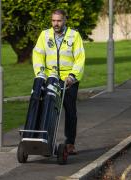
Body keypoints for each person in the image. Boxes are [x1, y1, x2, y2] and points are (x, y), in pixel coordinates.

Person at [32, 9, 85, 155]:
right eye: (53, 20)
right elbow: (37, 55)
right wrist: (40, 74)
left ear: (65, 20)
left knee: (70, 111)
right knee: (46, 109)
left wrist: (72, 76)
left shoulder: (74, 36)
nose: (56, 23)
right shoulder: (45, 35)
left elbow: (80, 58)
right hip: (50, 79)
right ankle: (44, 140)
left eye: (59, 20)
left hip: (68, 80)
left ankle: (70, 143)